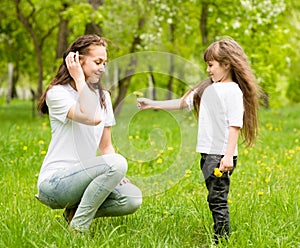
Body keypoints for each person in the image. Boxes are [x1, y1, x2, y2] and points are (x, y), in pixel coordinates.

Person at [137, 38, 259, 244]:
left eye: (211, 65)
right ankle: (220, 237)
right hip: (208, 155)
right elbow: (183, 103)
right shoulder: (209, 87)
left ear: (226, 64)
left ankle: (221, 240)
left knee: (217, 200)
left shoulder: (232, 91)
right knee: (214, 198)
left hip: (220, 156)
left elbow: (235, 124)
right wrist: (152, 104)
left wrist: (228, 155)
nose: (208, 69)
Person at [36, 34, 142, 233]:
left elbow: (105, 146)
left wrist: (115, 173)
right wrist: (77, 77)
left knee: (131, 198)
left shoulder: (104, 98)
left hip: (85, 179)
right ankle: (78, 228)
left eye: (104, 62)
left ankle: (73, 213)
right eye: (97, 62)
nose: (102, 68)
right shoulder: (57, 93)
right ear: (77, 60)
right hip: (55, 183)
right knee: (117, 162)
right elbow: (91, 116)